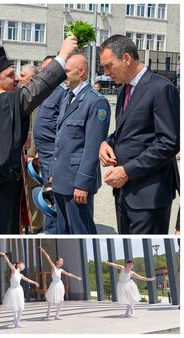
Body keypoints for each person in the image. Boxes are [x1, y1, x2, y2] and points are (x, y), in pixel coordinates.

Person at [0, 36, 78, 234]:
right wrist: (63, 56)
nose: (16, 79)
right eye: (10, 75)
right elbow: (33, 93)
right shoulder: (0, 102)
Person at [99, 35, 179, 234]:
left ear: (126, 58)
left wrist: (127, 171)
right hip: (124, 193)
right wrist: (106, 142)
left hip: (149, 196)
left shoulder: (161, 88)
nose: (106, 73)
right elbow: (127, 131)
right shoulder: (123, 90)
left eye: (109, 66)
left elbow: (169, 142)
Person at [51, 54, 110, 234]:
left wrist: (83, 184)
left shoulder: (96, 101)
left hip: (76, 182)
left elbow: (93, 149)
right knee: (63, 230)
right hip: (61, 179)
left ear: (81, 71)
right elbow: (61, 139)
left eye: (67, 71)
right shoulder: (67, 98)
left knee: (80, 231)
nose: (64, 75)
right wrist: (54, 172)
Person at [33, 56, 68, 234]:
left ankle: (54, 233)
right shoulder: (47, 93)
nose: (44, 74)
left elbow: (62, 133)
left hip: (54, 159)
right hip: (45, 157)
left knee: (53, 200)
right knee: (48, 197)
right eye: (44, 70)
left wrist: (54, 166)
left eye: (49, 70)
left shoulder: (62, 93)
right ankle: (50, 230)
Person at [39, 246, 82, 320]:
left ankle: (57, 315)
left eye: (62, 261)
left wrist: (77, 277)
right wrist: (43, 250)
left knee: (61, 300)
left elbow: (68, 274)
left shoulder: (61, 270)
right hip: (54, 285)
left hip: (60, 285)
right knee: (51, 301)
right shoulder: (53, 267)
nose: (62, 262)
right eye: (61, 261)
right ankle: (48, 315)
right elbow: (48, 257)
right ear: (57, 261)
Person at [0, 252, 39, 328]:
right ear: (18, 265)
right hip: (13, 291)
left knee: (20, 307)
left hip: (19, 290)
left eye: (23, 265)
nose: (23, 265)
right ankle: (17, 323)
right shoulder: (14, 271)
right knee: (16, 307)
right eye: (22, 264)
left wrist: (35, 283)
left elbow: (28, 280)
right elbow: (9, 263)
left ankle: (16, 322)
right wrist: (4, 255)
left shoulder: (21, 275)